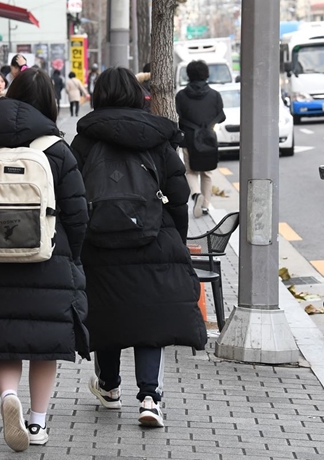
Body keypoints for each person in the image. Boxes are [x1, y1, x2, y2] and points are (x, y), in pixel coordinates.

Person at [0, 68, 89, 452]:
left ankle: (8, 394)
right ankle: (37, 421)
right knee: (45, 340)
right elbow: (78, 213)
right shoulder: (57, 149)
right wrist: (73, 255)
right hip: (48, 254)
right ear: (49, 103)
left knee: (5, 335)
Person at [71, 67, 207, 428]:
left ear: (98, 95)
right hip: (152, 237)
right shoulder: (157, 136)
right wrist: (175, 237)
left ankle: (109, 387)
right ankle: (149, 398)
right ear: (137, 94)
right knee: (151, 320)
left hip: (98, 241)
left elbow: (69, 195)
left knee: (107, 314)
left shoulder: (85, 139)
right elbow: (178, 195)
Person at [175, 60, 225, 218]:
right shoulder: (214, 95)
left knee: (190, 171)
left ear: (188, 74)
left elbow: (180, 117)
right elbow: (221, 116)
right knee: (207, 172)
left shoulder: (181, 96)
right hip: (209, 137)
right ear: (206, 74)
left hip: (189, 138)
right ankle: (205, 206)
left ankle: (196, 194)